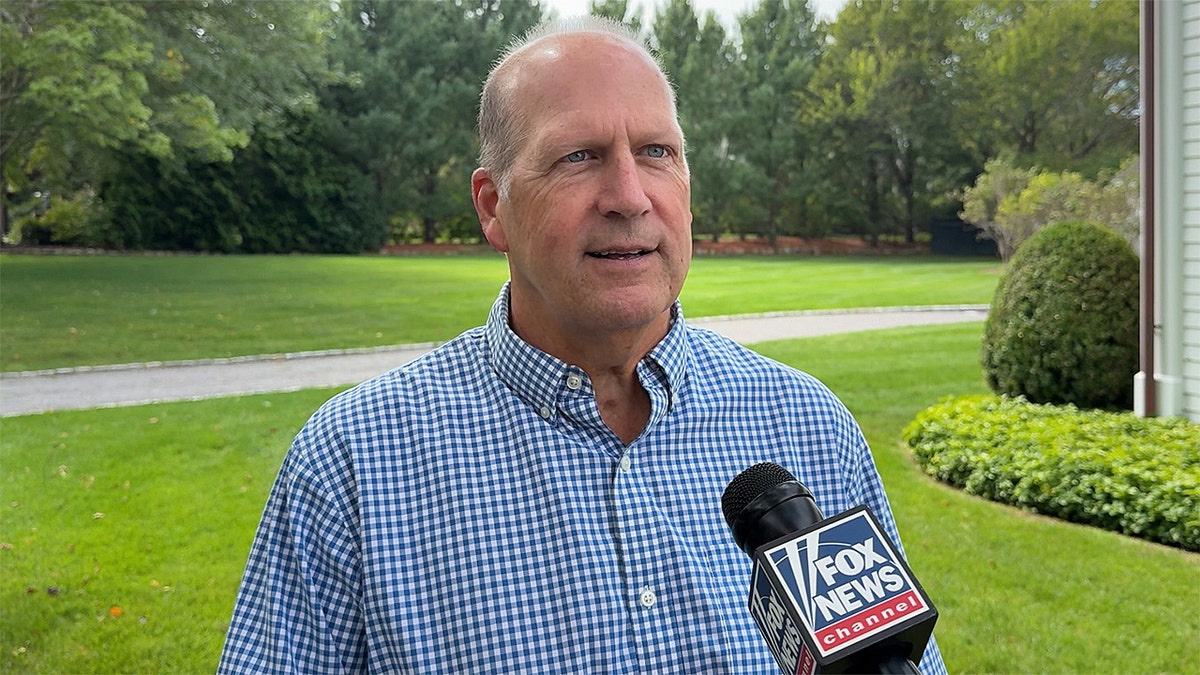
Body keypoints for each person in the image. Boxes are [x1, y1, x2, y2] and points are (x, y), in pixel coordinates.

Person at [218, 16, 948, 674]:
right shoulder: (353, 463)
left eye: (657, 151)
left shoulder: (809, 424)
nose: (629, 195)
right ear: (494, 207)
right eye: (578, 156)